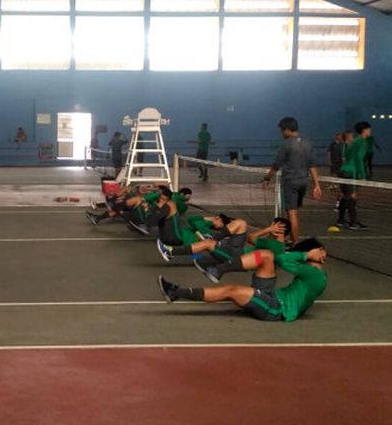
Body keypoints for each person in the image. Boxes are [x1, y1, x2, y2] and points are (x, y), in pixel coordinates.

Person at [157, 238, 328, 322]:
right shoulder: (311, 271)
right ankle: (218, 270)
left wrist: (305, 254)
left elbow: (282, 260)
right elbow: (278, 257)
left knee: (231, 290)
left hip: (276, 309)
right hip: (272, 294)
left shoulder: (315, 274)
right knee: (267, 256)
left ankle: (176, 292)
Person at [263, 117, 322, 243]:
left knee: (292, 214)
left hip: (290, 182)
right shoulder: (308, 143)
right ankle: (291, 239)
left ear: (287, 130)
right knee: (294, 212)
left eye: (282, 131)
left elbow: (277, 164)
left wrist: (267, 178)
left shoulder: (286, 144)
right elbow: (312, 165)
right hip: (303, 182)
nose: (282, 133)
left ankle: (295, 243)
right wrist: (317, 185)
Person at [336, 122, 371, 229]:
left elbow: (347, 155)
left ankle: (341, 220)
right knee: (352, 197)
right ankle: (353, 223)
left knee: (345, 196)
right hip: (351, 172)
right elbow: (359, 159)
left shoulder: (354, 142)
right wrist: (363, 175)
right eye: (369, 129)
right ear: (364, 130)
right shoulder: (362, 142)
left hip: (343, 170)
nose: (370, 131)